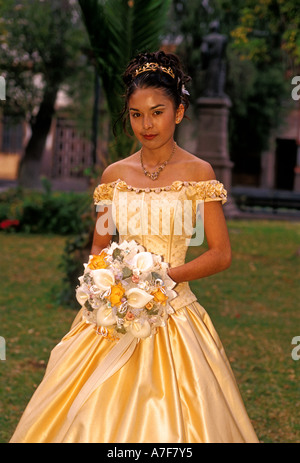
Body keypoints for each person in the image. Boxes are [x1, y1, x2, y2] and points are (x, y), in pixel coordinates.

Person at [10, 50, 259, 443]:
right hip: (114, 310)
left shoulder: (198, 174)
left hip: (174, 312)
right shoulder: (114, 176)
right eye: (136, 113)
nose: (147, 124)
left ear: (178, 112)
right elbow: (99, 246)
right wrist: (106, 285)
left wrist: (161, 279)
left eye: (158, 112)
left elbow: (220, 254)